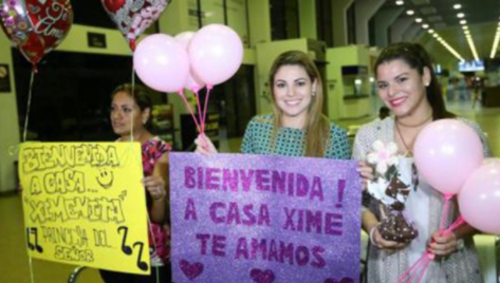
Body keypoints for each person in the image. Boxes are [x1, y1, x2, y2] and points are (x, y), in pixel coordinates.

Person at [354, 42, 491, 282]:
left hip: (453, 269)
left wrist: (456, 235)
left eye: (402, 79)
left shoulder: (465, 134)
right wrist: (374, 231)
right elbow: (358, 202)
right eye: (383, 85)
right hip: (388, 270)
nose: (392, 92)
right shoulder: (369, 136)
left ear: (425, 76)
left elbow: (485, 202)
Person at [196, 50, 350, 160]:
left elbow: (341, 199)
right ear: (272, 89)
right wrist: (214, 160)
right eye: (282, 85)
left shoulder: (334, 137)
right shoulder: (257, 128)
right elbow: (243, 184)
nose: (291, 93)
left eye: (300, 83)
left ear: (314, 85)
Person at [99, 84, 171, 283]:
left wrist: (158, 195)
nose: (116, 116)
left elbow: (159, 216)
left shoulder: (160, 151)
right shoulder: (106, 152)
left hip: (148, 255)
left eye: (126, 109)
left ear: (145, 114)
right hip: (114, 249)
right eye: (113, 108)